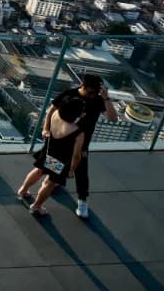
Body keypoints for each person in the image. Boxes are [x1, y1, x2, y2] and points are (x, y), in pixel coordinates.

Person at [46, 73, 119, 219]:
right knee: (53, 168)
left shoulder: (98, 100)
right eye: (91, 92)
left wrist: (105, 98)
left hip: (81, 142)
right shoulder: (69, 94)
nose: (93, 95)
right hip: (61, 139)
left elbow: (113, 118)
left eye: (96, 92)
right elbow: (51, 111)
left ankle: (82, 201)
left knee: (81, 173)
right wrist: (46, 129)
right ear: (83, 86)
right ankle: (53, 181)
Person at [16, 95, 87, 217]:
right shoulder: (77, 132)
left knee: (38, 171)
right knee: (50, 183)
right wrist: (71, 171)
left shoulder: (56, 114)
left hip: (48, 150)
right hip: (60, 160)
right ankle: (37, 206)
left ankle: (23, 190)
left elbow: (47, 122)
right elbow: (76, 156)